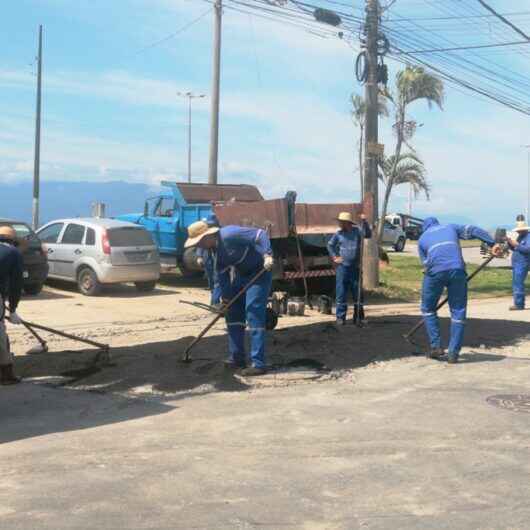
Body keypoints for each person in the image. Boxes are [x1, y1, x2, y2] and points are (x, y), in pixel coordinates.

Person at [185, 221, 274, 376]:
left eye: (199, 242)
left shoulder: (230, 234)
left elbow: (260, 235)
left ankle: (259, 363)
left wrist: (267, 255)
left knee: (253, 312)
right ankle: (237, 357)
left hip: (259, 273)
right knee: (232, 313)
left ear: (208, 236)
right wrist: (224, 301)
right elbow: (222, 278)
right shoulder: (215, 253)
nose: (199, 245)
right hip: (242, 276)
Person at [418, 217, 501, 364]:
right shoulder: (450, 227)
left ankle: (436, 346)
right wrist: (492, 243)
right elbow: (473, 230)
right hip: (457, 270)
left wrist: (433, 285)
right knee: (458, 311)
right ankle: (453, 353)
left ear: (425, 228)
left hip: (435, 272)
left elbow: (426, 265)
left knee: (428, 308)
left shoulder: (422, 238)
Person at [327, 212, 371, 325]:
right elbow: (330, 245)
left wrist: (365, 222)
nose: (339, 224)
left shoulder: (358, 232)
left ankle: (359, 317)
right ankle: (340, 318)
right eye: (339, 222)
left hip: (355, 268)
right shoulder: (338, 234)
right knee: (341, 293)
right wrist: (334, 256)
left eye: (341, 222)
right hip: (342, 268)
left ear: (347, 223)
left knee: (358, 293)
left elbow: (368, 234)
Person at [0, 226, 24, 385]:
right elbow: (16, 284)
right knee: (0, 336)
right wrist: (13, 309)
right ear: (13, 241)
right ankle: (6, 375)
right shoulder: (13, 253)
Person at [196, 214, 221, 306]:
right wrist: (199, 256)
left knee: (218, 279)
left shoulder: (220, 233)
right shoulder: (204, 232)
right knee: (211, 280)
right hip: (208, 257)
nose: (210, 227)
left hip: (218, 256)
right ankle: (213, 300)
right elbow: (200, 243)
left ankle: (215, 302)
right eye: (208, 225)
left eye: (212, 225)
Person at [507, 219, 530, 310]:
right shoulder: (520, 236)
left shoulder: (528, 237)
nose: (518, 231)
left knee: (518, 283)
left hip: (523, 263)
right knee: (516, 283)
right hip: (517, 263)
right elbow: (516, 249)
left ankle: (519, 304)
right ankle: (518, 303)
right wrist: (510, 243)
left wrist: (516, 244)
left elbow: (527, 250)